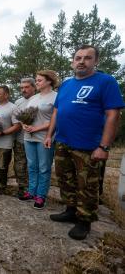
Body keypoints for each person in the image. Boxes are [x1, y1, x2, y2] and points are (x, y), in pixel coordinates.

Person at [44, 45, 124, 240]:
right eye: (78, 57)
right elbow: (57, 111)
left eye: (87, 58)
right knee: (65, 178)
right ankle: (71, 210)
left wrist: (103, 146)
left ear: (96, 61)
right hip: (63, 142)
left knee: (87, 185)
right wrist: (49, 134)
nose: (81, 61)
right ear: (72, 61)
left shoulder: (105, 81)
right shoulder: (66, 84)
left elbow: (113, 115)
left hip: (89, 145)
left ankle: (85, 221)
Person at [20, 71, 57, 210]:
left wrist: (36, 128)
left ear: (49, 81)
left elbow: (55, 119)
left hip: (44, 137)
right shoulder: (34, 98)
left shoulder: (56, 97)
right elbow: (25, 115)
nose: (37, 82)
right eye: (36, 80)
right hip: (29, 136)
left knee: (43, 167)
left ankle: (41, 196)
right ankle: (31, 191)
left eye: (39, 80)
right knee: (32, 166)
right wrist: (24, 124)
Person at [14, 78, 36, 199]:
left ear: (34, 87)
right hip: (20, 139)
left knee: (34, 166)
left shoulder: (39, 99)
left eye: (26, 87)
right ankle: (22, 188)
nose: (24, 90)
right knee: (20, 165)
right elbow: (15, 120)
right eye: (22, 87)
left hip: (36, 139)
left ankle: (34, 189)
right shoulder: (18, 102)